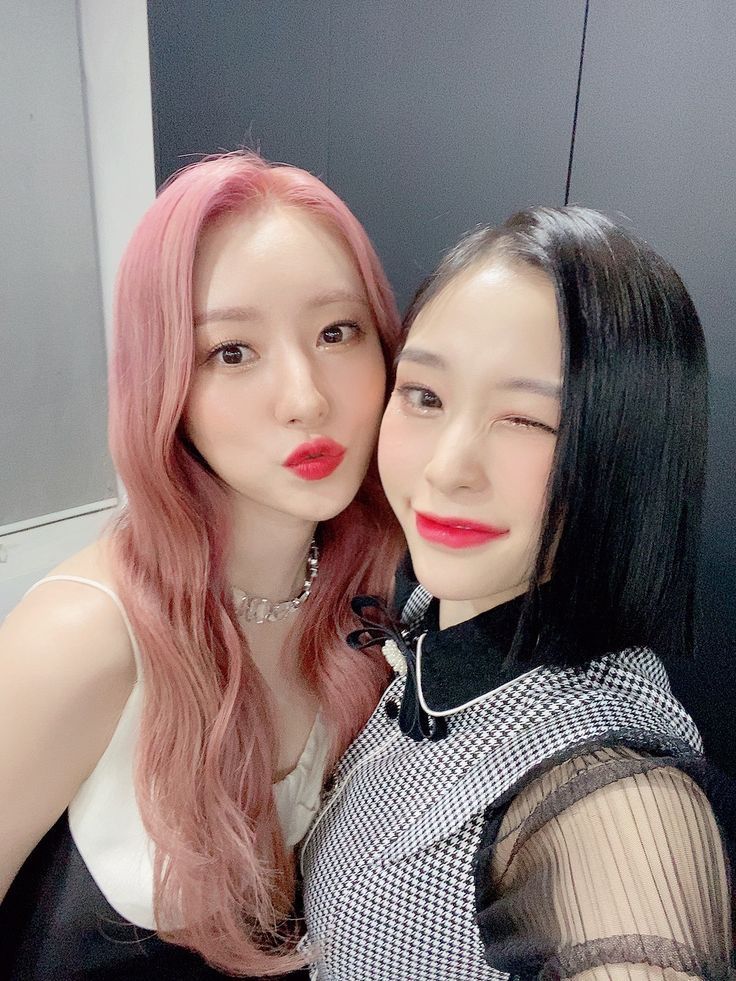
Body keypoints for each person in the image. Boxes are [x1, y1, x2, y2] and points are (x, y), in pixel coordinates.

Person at [301, 206, 735, 979]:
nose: (447, 468)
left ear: (627, 451)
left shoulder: (598, 785)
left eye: (528, 420)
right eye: (424, 396)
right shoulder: (429, 614)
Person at [0, 152, 402, 979]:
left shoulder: (369, 597)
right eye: (232, 351)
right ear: (165, 385)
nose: (306, 397)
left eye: (336, 332)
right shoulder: (83, 636)